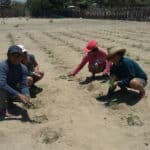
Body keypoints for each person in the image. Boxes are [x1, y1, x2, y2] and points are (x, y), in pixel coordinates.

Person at [0, 45, 32, 119]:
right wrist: (19, 95)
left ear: (22, 57)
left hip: (11, 90)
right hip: (2, 89)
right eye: (13, 55)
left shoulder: (23, 68)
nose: (16, 58)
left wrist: (26, 96)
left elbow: (24, 85)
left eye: (18, 55)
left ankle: (9, 103)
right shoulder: (3, 66)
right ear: (8, 56)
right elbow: (2, 84)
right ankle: (2, 111)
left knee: (25, 96)